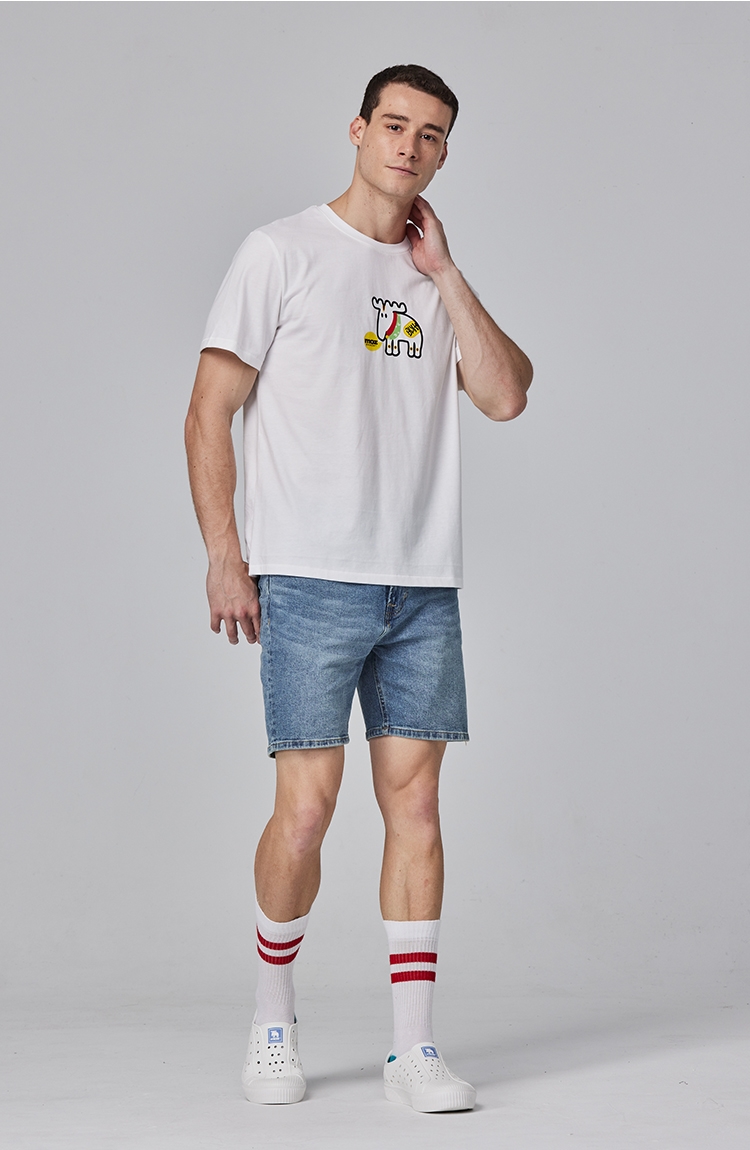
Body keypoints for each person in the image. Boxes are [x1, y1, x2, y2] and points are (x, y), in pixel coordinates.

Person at [184, 63, 532, 1113]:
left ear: (444, 153)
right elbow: (208, 410)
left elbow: (506, 397)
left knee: (417, 806)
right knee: (307, 812)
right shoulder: (281, 251)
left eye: (431, 135)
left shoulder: (432, 276)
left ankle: (413, 1050)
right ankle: (272, 1018)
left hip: (420, 584)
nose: (409, 147)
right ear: (357, 129)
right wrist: (225, 552)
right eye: (394, 125)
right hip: (310, 577)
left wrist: (448, 274)